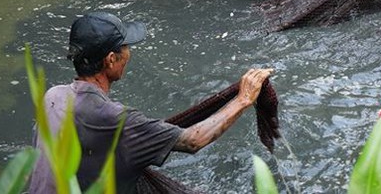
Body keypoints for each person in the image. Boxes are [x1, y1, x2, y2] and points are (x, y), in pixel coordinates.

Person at [28, 11, 273, 193]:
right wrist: (244, 99)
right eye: (125, 47)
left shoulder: (53, 96)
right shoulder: (116, 119)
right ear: (111, 59)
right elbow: (193, 140)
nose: (129, 53)